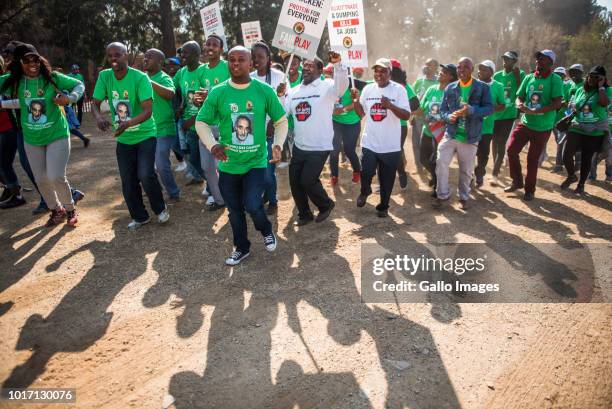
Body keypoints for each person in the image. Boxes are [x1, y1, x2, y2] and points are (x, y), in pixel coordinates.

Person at [196, 46, 288, 265]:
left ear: (251, 64)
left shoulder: (264, 90)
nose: (235, 63)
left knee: (253, 205)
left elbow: (281, 121)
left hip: (256, 162)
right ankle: (242, 247)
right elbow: (201, 122)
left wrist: (277, 144)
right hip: (228, 165)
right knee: (234, 211)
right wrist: (212, 144)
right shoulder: (218, 92)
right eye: (231, 60)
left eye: (241, 59)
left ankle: (266, 230)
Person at [0, 43, 84, 225]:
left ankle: (70, 208)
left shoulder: (52, 77)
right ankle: (56, 209)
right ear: (19, 63)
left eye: (35, 59)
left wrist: (69, 98)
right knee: (40, 179)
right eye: (27, 60)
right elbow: (22, 103)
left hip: (57, 134)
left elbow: (79, 84)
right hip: (31, 139)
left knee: (55, 176)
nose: (33, 63)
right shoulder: (14, 81)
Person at [92, 42, 169, 230]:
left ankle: (160, 209)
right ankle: (140, 216)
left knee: (145, 173)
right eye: (110, 56)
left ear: (127, 56)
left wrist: (127, 124)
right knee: (128, 179)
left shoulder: (140, 78)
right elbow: (94, 103)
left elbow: (147, 111)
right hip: (124, 138)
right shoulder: (105, 76)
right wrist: (99, 117)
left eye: (117, 55)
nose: (113, 59)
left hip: (145, 134)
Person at [284, 52, 348, 226]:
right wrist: (280, 95)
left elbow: (341, 87)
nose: (305, 68)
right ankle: (304, 214)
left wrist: (338, 66)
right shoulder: (295, 91)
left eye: (311, 65)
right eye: (305, 65)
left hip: (319, 146)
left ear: (320, 70)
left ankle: (326, 204)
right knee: (295, 182)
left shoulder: (327, 86)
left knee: (307, 180)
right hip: (299, 145)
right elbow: (283, 112)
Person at [352, 58, 411, 217]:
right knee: (365, 172)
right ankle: (365, 191)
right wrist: (356, 101)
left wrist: (390, 106)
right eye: (376, 71)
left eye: (383, 71)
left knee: (387, 180)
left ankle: (383, 206)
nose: (379, 74)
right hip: (370, 141)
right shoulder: (368, 89)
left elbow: (406, 115)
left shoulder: (399, 90)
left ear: (390, 73)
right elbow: (361, 114)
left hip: (390, 145)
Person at [432, 57, 493, 210]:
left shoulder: (482, 88)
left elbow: (489, 108)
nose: (461, 70)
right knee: (441, 162)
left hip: (470, 137)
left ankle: (463, 197)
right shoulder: (450, 88)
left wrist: (472, 110)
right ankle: (442, 195)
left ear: (472, 69)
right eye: (459, 67)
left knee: (466, 171)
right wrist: (448, 117)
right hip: (451, 134)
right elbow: (443, 109)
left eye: (465, 67)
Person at [505, 49, 563, 201]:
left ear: (550, 62)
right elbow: (519, 96)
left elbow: (557, 103)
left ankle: (529, 190)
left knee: (532, 159)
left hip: (543, 127)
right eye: (537, 59)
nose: (537, 61)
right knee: (511, 150)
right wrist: (520, 105)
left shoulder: (555, 79)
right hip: (525, 123)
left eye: (542, 59)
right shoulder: (530, 77)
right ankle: (517, 181)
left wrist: (537, 111)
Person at [560, 66, 610, 194]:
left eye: (597, 77)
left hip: (595, 131)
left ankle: (581, 184)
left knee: (586, 158)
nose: (592, 79)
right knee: (566, 154)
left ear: (603, 79)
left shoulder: (607, 90)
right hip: (577, 126)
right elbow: (574, 107)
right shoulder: (580, 90)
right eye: (591, 76)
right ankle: (572, 176)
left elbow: (604, 103)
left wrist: (600, 87)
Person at [250, 41, 285, 215]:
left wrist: (272, 123)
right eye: (253, 56)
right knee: (255, 169)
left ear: (268, 58)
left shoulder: (279, 77)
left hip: (272, 131)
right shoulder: (249, 77)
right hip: (253, 132)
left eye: (260, 57)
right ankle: (263, 195)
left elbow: (285, 104)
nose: (256, 60)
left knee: (267, 172)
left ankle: (273, 201)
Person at [197, 34, 229, 210]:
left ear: (221, 49)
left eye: (214, 45)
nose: (210, 47)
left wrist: (212, 97)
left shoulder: (228, 66)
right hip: (206, 125)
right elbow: (201, 95)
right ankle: (219, 200)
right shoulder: (202, 70)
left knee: (224, 166)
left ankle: (232, 198)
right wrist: (197, 100)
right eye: (208, 44)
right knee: (207, 167)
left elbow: (233, 92)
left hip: (225, 124)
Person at [144, 48, 181, 202]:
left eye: (149, 57)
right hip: (146, 129)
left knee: (161, 164)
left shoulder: (164, 77)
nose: (145, 59)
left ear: (159, 62)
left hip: (164, 129)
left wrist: (149, 82)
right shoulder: (141, 78)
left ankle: (173, 192)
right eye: (145, 56)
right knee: (146, 166)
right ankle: (155, 190)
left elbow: (170, 94)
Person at [419, 63, 457, 197]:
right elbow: (422, 108)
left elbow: (453, 113)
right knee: (423, 159)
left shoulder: (453, 92)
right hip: (428, 129)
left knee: (437, 160)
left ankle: (438, 186)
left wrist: (441, 119)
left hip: (443, 132)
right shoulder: (431, 89)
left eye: (445, 72)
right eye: (441, 71)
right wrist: (411, 112)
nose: (441, 73)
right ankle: (435, 177)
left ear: (451, 77)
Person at [173, 41, 206, 187]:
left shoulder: (205, 70)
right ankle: (204, 180)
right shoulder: (181, 72)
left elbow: (211, 99)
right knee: (191, 156)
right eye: (182, 52)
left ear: (197, 54)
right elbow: (174, 91)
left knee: (205, 159)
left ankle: (212, 186)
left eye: (186, 52)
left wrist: (193, 119)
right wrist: (179, 106)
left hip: (204, 123)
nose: (182, 55)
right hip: (187, 123)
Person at [490, 51, 525, 186]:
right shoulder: (497, 75)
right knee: (494, 142)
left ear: (514, 61)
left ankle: (494, 173)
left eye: (509, 59)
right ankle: (496, 166)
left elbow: (524, 91)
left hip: (509, 115)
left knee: (501, 142)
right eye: (504, 58)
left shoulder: (520, 74)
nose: (505, 61)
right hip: (496, 114)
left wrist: (517, 79)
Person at [474, 60, 506, 186]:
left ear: (491, 72)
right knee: (469, 152)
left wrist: (490, 109)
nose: (480, 72)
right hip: (472, 125)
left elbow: (502, 105)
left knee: (483, 154)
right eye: (479, 69)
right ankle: (469, 175)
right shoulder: (473, 84)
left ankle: (480, 173)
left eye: (484, 70)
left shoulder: (497, 86)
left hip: (487, 127)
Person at [0, 55, 27, 209]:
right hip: (5, 129)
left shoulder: (5, 82)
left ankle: (17, 195)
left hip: (8, 129)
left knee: (4, 165)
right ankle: (10, 189)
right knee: (3, 165)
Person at [330, 63, 362, 187]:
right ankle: (334, 176)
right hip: (335, 122)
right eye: (336, 71)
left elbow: (356, 104)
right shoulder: (330, 85)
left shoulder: (353, 85)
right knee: (334, 150)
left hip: (352, 123)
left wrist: (342, 109)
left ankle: (357, 171)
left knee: (349, 150)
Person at [390, 59, 420, 189]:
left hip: (400, 125)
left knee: (395, 151)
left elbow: (415, 103)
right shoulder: (378, 84)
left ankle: (401, 173)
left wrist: (399, 107)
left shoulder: (404, 87)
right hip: (382, 125)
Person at [411, 59, 439, 174]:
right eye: (426, 64)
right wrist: (412, 115)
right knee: (416, 143)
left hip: (432, 119)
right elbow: (413, 98)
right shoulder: (419, 81)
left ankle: (431, 164)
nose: (427, 67)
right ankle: (419, 166)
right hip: (418, 118)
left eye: (430, 65)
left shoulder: (439, 82)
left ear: (436, 68)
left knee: (431, 144)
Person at [550, 66, 573, 172]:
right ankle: (562, 162)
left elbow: (569, 102)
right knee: (559, 142)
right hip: (554, 119)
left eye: (561, 75)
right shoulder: (552, 84)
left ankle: (559, 165)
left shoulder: (568, 86)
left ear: (564, 76)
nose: (559, 76)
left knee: (561, 142)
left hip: (564, 119)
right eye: (557, 74)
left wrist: (561, 104)